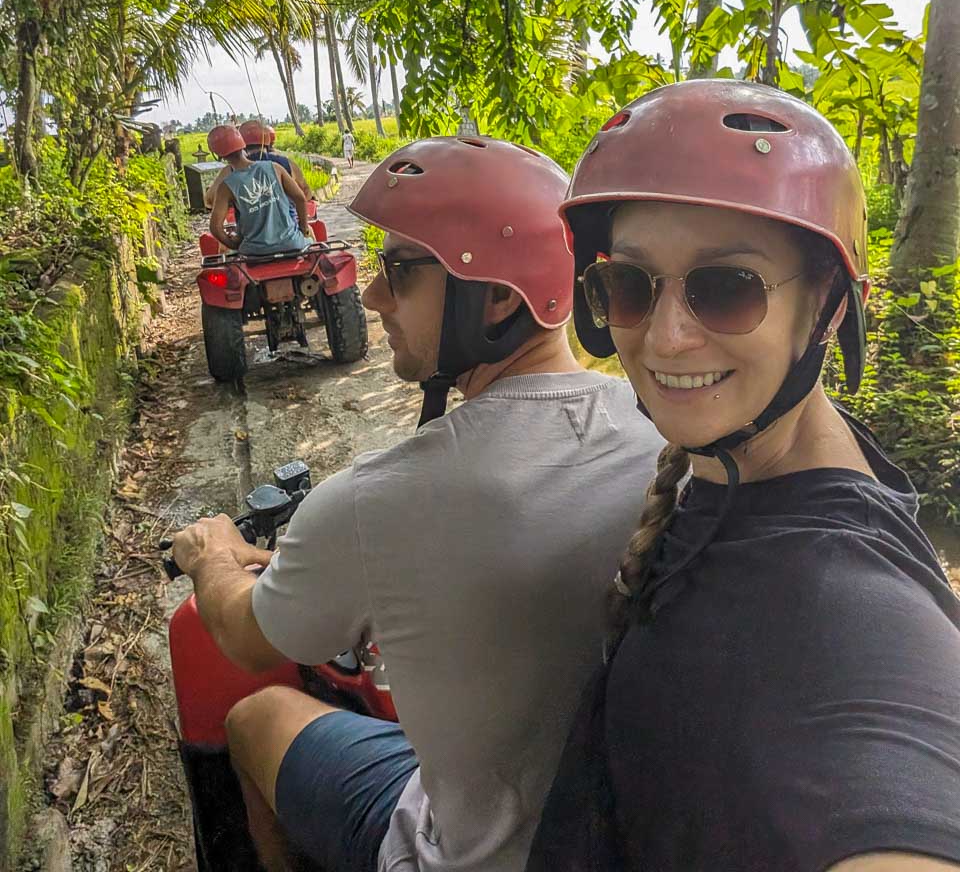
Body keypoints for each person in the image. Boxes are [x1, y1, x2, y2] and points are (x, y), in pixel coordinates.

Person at [170, 136, 663, 872]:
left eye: (399, 271)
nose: (372, 297)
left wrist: (212, 557)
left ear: (497, 295)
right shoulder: (658, 430)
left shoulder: (375, 501)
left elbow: (245, 637)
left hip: (465, 853)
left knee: (255, 717)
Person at [527, 80, 960, 872]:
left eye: (727, 288)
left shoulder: (857, 610)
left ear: (830, 307)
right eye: (629, 284)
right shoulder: (743, 466)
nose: (666, 338)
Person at [206, 124, 310, 256]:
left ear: (218, 155)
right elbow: (300, 198)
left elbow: (215, 228)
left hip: (254, 252)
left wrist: (234, 245)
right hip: (292, 244)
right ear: (242, 144)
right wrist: (303, 229)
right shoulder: (275, 167)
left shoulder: (225, 186)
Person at [204, 120, 313, 210]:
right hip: (289, 224)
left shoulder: (230, 170)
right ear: (267, 140)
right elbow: (305, 193)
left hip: (251, 228)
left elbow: (209, 201)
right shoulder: (284, 164)